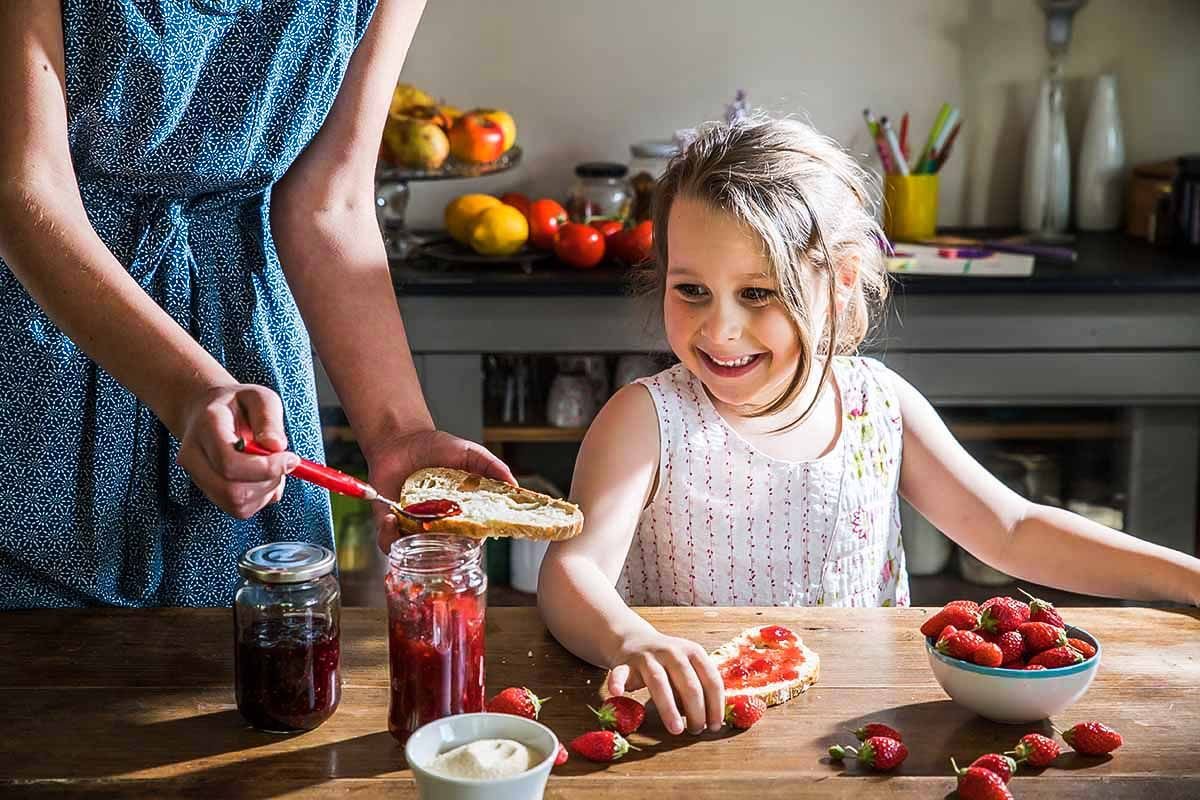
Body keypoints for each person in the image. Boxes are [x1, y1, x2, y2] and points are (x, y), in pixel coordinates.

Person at [537, 115, 1200, 736]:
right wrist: (632, 639)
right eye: (691, 290)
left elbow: (1013, 530)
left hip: (858, 733)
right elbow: (572, 575)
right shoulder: (645, 420)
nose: (720, 328)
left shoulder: (879, 404)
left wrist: (1187, 578)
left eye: (759, 293)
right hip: (699, 730)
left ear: (842, 281)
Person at [0, 0, 510, 608]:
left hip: (246, 339)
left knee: (259, 654)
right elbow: (27, 191)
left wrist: (399, 432)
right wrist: (189, 390)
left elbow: (330, 205)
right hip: (47, 332)